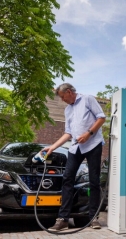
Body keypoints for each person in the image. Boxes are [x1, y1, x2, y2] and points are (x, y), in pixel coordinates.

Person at [43, 83, 106, 231]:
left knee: (94, 181)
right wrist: (52, 147)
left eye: (63, 97)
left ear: (69, 92)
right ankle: (63, 219)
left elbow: (101, 118)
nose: (62, 100)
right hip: (76, 147)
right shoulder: (67, 110)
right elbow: (68, 133)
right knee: (67, 178)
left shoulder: (88, 99)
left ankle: (93, 218)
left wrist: (88, 134)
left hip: (93, 145)